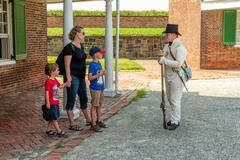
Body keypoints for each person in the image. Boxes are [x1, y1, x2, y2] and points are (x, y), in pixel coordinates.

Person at [158, 24, 187, 130]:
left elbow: (178, 63)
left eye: (168, 33)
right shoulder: (167, 46)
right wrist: (160, 57)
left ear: (174, 35)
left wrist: (164, 60)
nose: (166, 35)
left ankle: (176, 121)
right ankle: (174, 118)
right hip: (168, 75)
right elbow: (162, 60)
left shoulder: (180, 48)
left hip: (177, 76)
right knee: (170, 99)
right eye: (166, 33)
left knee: (175, 99)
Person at [63, 25, 91, 131]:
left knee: (84, 98)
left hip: (81, 77)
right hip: (73, 77)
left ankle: (89, 120)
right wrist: (68, 79)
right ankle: (72, 123)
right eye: (83, 33)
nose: (84, 35)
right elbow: (67, 65)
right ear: (77, 34)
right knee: (71, 99)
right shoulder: (69, 48)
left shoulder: (81, 46)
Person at [88, 46, 107, 132]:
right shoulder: (92, 65)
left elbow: (99, 74)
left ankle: (98, 121)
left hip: (100, 87)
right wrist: (99, 75)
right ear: (95, 54)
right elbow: (90, 77)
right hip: (95, 88)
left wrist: (102, 73)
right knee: (94, 106)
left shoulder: (99, 63)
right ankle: (93, 123)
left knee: (99, 105)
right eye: (101, 53)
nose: (102, 54)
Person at [44, 63, 66, 137]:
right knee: (54, 118)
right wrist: (47, 102)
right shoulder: (48, 81)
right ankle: (59, 131)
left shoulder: (55, 80)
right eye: (57, 70)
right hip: (51, 102)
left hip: (55, 101)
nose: (59, 71)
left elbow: (60, 87)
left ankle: (48, 130)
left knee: (52, 116)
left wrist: (66, 83)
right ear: (52, 71)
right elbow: (46, 92)